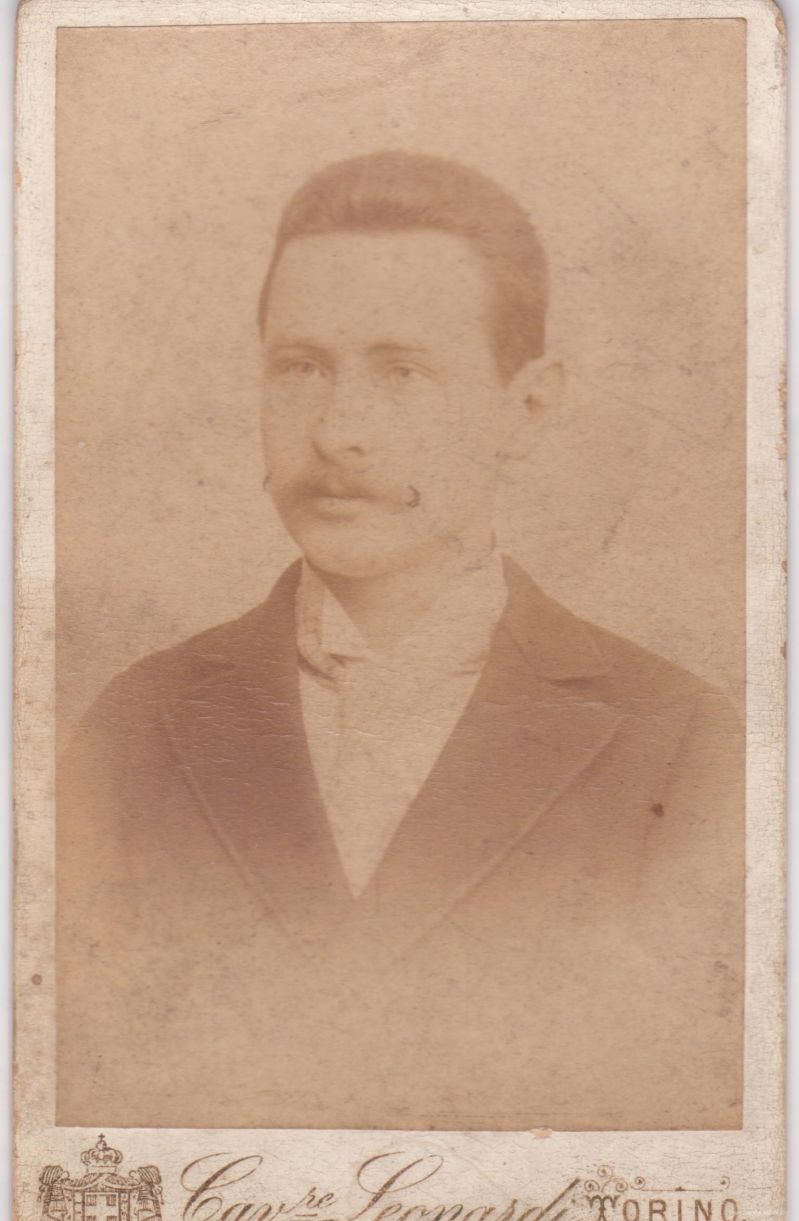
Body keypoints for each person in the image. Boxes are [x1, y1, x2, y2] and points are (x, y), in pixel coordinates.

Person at [57, 151, 743, 1132]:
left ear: (526, 409)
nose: (339, 431)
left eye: (401, 372)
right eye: (300, 368)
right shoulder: (134, 730)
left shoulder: (679, 745)